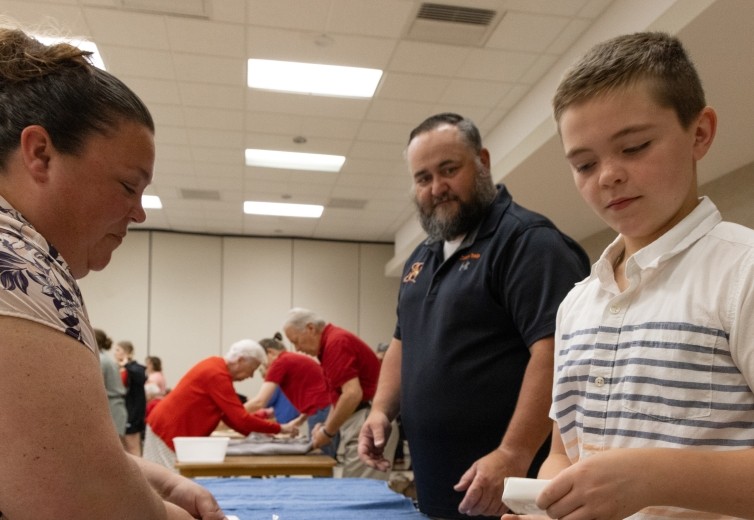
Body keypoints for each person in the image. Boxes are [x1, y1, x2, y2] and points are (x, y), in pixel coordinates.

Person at [500, 31, 754, 520]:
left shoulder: (741, 272)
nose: (608, 176)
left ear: (699, 133)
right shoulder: (578, 302)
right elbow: (563, 452)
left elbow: (635, 480)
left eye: (634, 147)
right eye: (584, 164)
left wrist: (652, 477)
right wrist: (546, 506)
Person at [0, 26, 225, 518]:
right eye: (127, 185)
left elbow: (31, 449)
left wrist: (149, 478)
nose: (138, 212)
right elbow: (82, 502)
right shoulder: (16, 261)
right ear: (40, 153)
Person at [358, 112, 590, 519]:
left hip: (509, 487)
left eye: (449, 170)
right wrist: (380, 410)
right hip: (439, 486)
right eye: (423, 178)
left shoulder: (528, 243)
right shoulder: (421, 257)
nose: (437, 188)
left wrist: (513, 452)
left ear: (482, 161)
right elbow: (401, 342)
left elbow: (557, 351)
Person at [143, 339, 299, 470]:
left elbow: (230, 417)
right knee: (166, 485)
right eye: (252, 369)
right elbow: (240, 418)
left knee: (166, 485)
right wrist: (279, 429)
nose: (251, 376)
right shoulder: (217, 374)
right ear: (240, 360)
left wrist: (259, 434)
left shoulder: (216, 367)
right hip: (167, 431)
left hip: (168, 429)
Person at [283, 307, 399, 479]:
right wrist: (325, 427)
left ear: (310, 328)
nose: (297, 348)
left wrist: (328, 432)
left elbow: (352, 395)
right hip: (362, 416)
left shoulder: (336, 343)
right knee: (356, 488)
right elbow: (339, 397)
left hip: (367, 416)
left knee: (361, 493)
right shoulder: (332, 343)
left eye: (297, 341)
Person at [244, 332, 336, 457]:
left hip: (322, 412)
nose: (264, 366)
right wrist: (299, 420)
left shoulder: (281, 362)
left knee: (320, 459)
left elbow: (260, 401)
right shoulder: (291, 359)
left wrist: (233, 414)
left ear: (270, 353)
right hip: (324, 410)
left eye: (262, 361)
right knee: (322, 458)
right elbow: (317, 395)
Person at [114, 340, 147, 456]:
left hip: (133, 413)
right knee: (124, 448)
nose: (115, 353)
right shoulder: (119, 368)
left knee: (133, 447)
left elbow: (142, 377)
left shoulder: (135, 368)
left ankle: (138, 472)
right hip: (123, 412)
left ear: (126, 352)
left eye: (118, 350)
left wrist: (127, 365)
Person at [95, 328, 128, 443]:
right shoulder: (105, 358)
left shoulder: (101, 360)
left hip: (113, 408)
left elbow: (97, 386)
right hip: (115, 407)